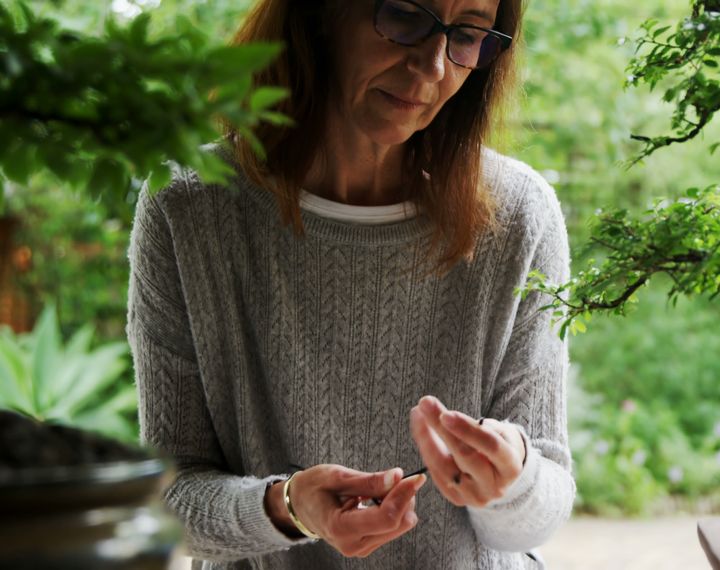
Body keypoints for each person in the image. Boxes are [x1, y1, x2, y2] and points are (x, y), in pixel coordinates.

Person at [126, 0, 574, 567]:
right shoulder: (190, 207)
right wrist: (288, 507)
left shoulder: (518, 214)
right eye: (407, 16)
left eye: (467, 34)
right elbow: (169, 499)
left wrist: (515, 479)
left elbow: (541, 508)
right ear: (320, 14)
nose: (433, 67)